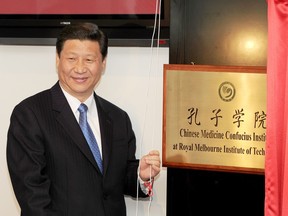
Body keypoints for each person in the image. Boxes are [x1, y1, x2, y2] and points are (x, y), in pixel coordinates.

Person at [6, 22, 161, 216]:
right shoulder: (30, 114)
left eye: (89, 59)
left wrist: (140, 175)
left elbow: (115, 181)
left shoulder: (118, 118)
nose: (80, 68)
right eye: (71, 58)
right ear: (58, 60)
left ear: (103, 63)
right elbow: (33, 198)